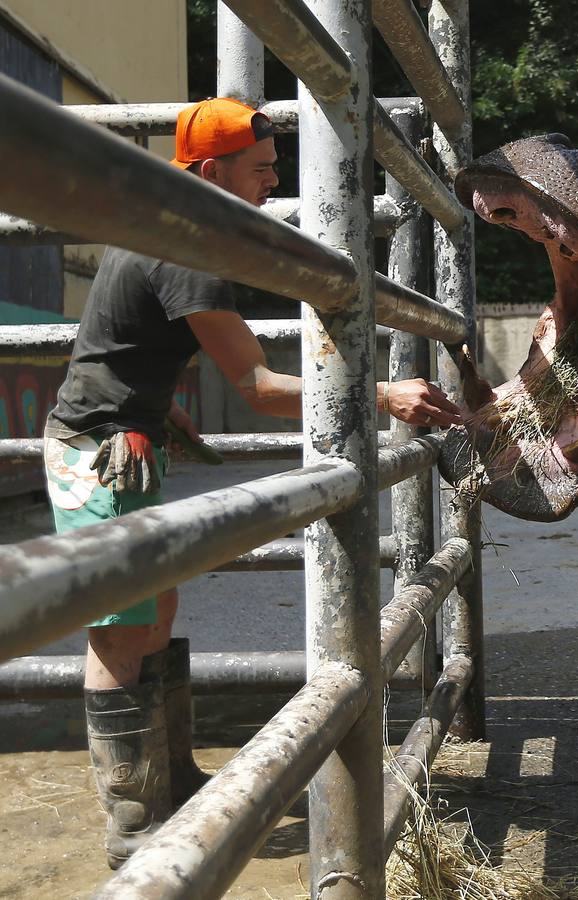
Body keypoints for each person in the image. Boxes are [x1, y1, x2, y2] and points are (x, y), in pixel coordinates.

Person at [41, 97, 465, 869]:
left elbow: (122, 339)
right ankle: (132, 821)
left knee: (154, 603)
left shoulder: (169, 218)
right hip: (99, 447)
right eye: (262, 170)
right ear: (212, 171)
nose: (274, 184)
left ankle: (167, 782)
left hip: (124, 435)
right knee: (118, 628)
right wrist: (380, 396)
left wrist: (153, 405)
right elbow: (261, 387)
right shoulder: (188, 246)